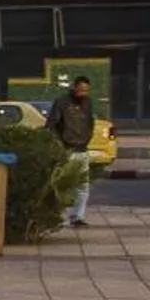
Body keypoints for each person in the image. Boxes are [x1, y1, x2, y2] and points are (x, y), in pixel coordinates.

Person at [51, 76, 98, 227]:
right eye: (80, 89)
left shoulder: (88, 103)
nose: (83, 93)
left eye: (86, 90)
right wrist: (58, 145)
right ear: (74, 87)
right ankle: (52, 216)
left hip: (82, 149)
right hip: (66, 149)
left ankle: (78, 217)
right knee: (59, 184)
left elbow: (90, 123)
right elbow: (52, 124)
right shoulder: (62, 102)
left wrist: (86, 140)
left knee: (83, 185)